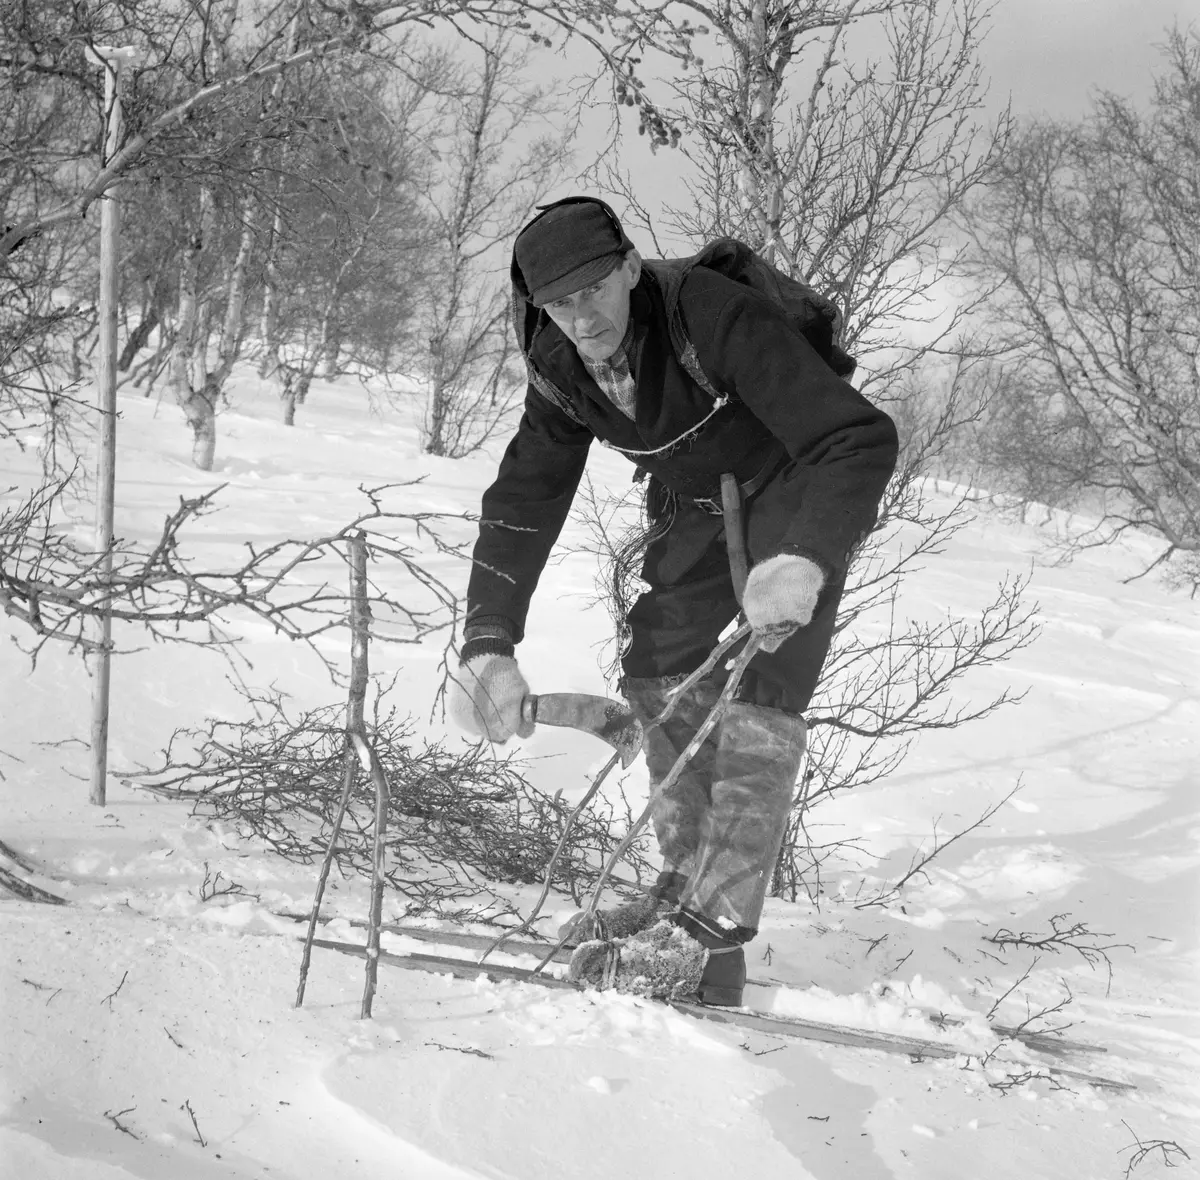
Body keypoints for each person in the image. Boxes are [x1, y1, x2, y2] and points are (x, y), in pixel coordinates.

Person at [449, 196, 898, 1006]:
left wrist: (800, 558)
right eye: (558, 302)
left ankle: (713, 939)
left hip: (795, 486)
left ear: (628, 268)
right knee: (658, 661)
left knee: (767, 678)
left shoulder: (711, 316)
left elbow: (857, 437)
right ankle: (680, 885)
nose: (580, 317)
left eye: (593, 290)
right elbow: (525, 495)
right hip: (697, 496)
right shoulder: (558, 364)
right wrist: (488, 640)